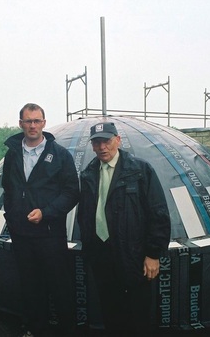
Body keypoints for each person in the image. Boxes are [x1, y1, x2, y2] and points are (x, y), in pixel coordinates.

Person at [78, 122, 171, 336]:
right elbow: (85, 214)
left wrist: (153, 254)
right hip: (102, 254)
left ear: (118, 140)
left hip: (133, 255)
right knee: (111, 310)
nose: (102, 147)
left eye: (107, 141)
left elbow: (158, 213)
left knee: (138, 313)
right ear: (92, 145)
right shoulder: (89, 174)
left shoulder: (139, 170)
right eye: (97, 142)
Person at [2, 103, 80, 337]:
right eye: (28, 121)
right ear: (21, 124)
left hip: (49, 233)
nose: (32, 125)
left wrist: (46, 212)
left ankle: (68, 331)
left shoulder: (60, 155)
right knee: (30, 286)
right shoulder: (13, 154)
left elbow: (71, 192)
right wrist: (13, 216)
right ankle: (36, 330)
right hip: (21, 234)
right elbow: (9, 188)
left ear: (44, 123)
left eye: (37, 121)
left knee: (59, 286)